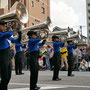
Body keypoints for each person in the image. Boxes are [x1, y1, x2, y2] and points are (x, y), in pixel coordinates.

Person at [0, 20, 21, 90]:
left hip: (8, 56)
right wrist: (12, 28)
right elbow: (7, 34)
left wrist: (19, 34)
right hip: (2, 56)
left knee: (8, 76)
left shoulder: (6, 35)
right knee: (4, 76)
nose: (4, 26)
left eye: (5, 25)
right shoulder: (2, 34)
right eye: (2, 25)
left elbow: (15, 40)